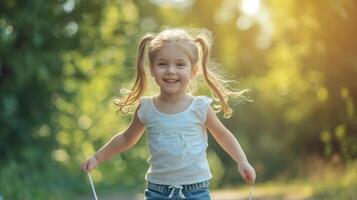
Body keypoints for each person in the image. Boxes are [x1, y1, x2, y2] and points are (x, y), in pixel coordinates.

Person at [81, 28, 256, 200]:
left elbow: (223, 134)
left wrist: (242, 160)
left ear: (193, 71)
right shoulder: (146, 108)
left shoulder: (200, 107)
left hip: (195, 191)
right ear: (152, 69)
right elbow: (126, 138)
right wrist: (97, 158)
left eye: (180, 64)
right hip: (158, 192)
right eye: (162, 63)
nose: (171, 70)